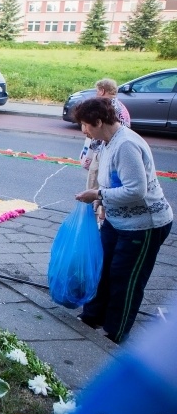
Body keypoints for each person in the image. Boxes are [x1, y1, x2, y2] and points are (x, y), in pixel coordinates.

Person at [74, 97, 172, 344]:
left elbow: (135, 190)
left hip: (145, 224)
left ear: (98, 121)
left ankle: (115, 331)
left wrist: (97, 194)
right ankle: (92, 316)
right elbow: (110, 181)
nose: (83, 130)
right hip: (117, 220)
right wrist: (100, 202)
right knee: (103, 267)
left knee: (125, 279)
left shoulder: (126, 145)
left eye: (85, 125)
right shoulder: (106, 142)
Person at [79, 79, 131, 221]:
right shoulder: (122, 107)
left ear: (102, 91)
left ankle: (93, 218)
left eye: (97, 91)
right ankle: (104, 215)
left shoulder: (104, 106)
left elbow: (135, 190)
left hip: (103, 150)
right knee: (109, 184)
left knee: (95, 182)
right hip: (112, 150)